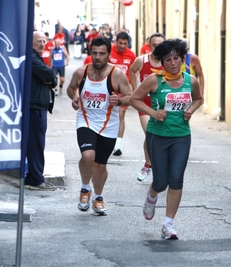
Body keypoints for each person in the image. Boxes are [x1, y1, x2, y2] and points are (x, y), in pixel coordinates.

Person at [130, 38, 203, 239]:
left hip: (181, 136)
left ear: (182, 59)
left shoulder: (191, 81)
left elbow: (198, 98)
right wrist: (153, 113)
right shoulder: (154, 80)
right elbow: (134, 99)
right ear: (162, 62)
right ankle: (152, 196)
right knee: (160, 182)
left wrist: (191, 110)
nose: (173, 63)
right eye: (168, 59)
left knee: (176, 179)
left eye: (176, 58)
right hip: (158, 136)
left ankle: (168, 224)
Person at [66, 36, 132, 216]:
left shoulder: (117, 74)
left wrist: (119, 100)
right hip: (85, 120)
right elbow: (71, 88)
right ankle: (85, 188)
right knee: (88, 156)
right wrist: (74, 97)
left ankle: (98, 198)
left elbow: (130, 96)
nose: (97, 57)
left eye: (102, 54)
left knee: (100, 166)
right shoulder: (81, 73)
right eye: (94, 53)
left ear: (108, 54)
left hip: (109, 125)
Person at [129, 33, 166, 182]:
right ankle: (148, 165)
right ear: (149, 46)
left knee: (161, 136)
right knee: (150, 133)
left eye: (160, 45)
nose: (157, 48)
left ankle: (161, 165)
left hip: (163, 105)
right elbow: (132, 70)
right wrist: (134, 89)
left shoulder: (169, 62)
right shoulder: (141, 60)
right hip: (145, 104)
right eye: (154, 45)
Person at [24, 31, 57, 191]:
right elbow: (51, 74)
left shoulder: (36, 58)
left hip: (37, 106)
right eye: (39, 41)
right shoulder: (31, 58)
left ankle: (32, 176)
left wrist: (51, 78)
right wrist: (51, 78)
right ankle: (36, 179)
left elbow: (51, 79)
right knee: (36, 143)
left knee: (34, 143)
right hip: (35, 106)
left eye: (44, 41)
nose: (42, 44)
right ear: (31, 42)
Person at [108, 31, 137, 156]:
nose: (122, 46)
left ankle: (117, 146)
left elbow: (134, 72)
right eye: (120, 43)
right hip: (108, 89)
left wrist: (135, 91)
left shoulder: (131, 55)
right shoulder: (109, 51)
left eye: (125, 44)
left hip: (124, 90)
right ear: (116, 41)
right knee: (107, 115)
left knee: (121, 115)